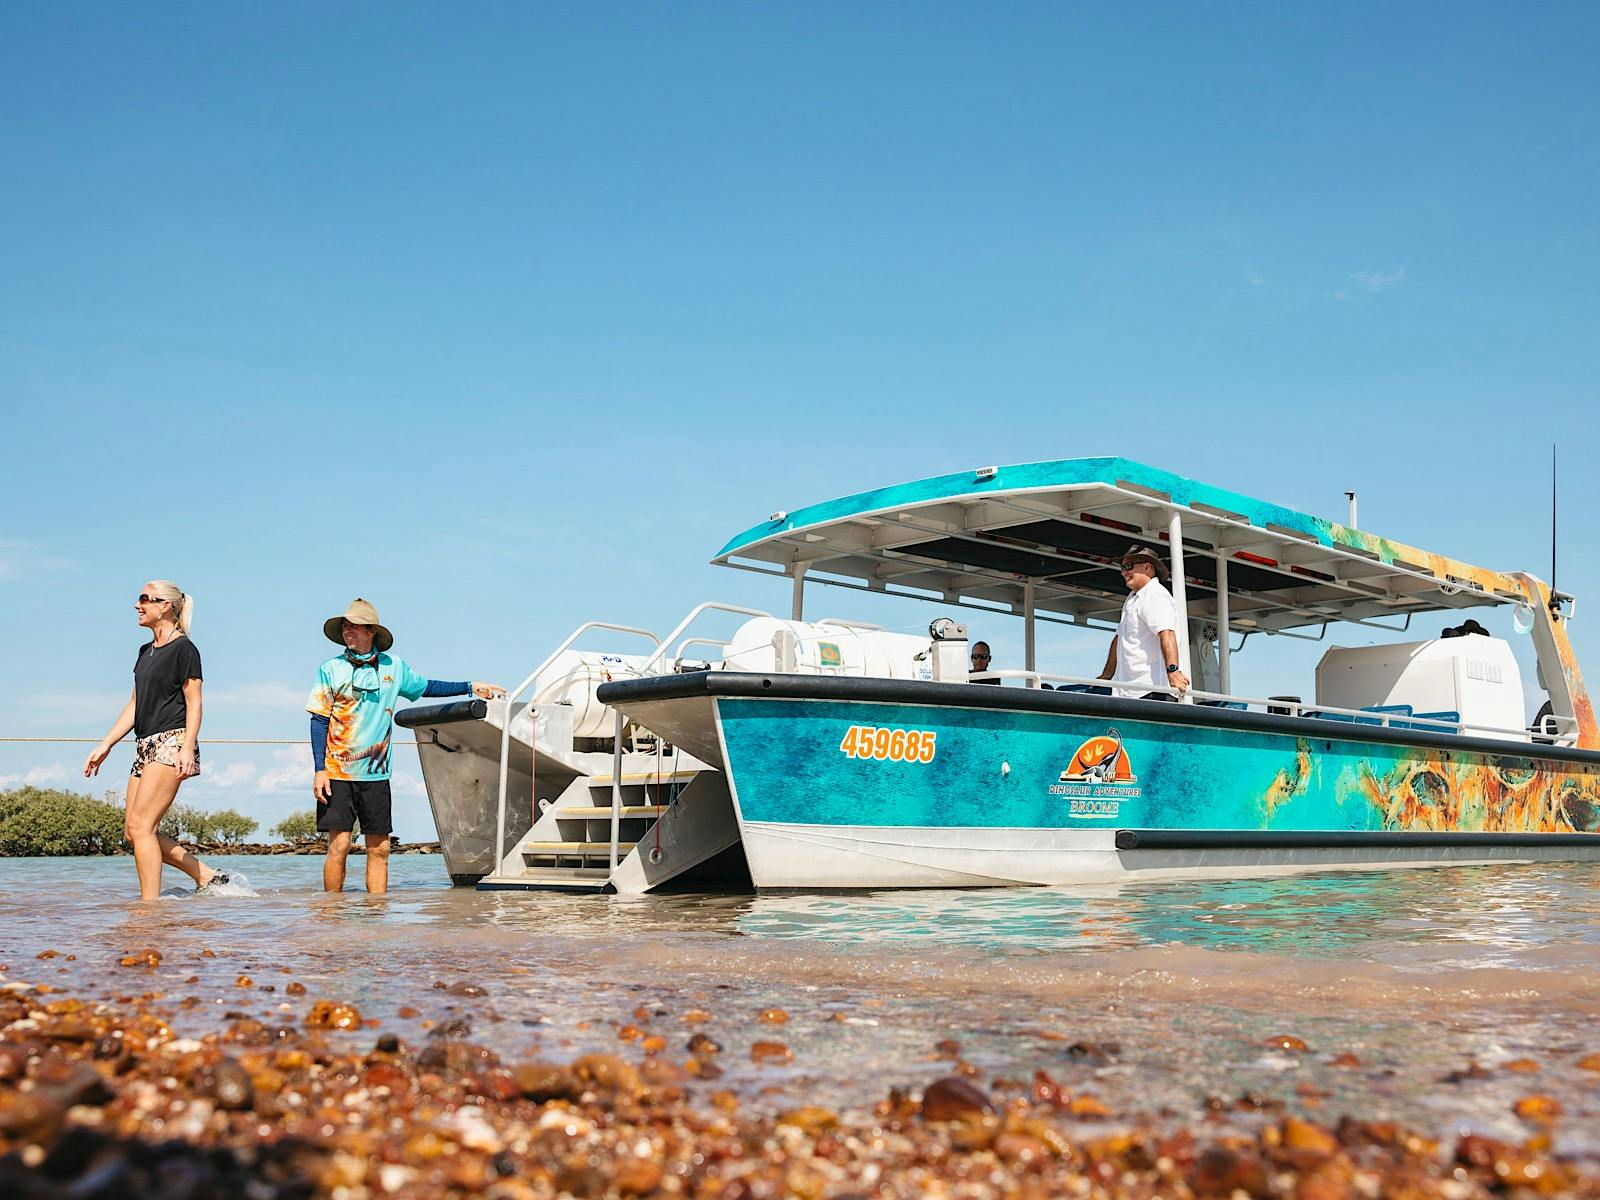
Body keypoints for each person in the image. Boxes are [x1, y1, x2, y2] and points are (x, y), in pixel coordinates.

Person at [307, 599, 505, 894]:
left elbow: (425, 687)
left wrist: (469, 686)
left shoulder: (393, 666)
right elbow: (318, 721)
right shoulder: (329, 669)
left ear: (371, 630)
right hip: (338, 772)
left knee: (380, 848)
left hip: (376, 774)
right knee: (340, 843)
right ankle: (331, 918)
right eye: (345, 626)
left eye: (354, 626)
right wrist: (319, 770)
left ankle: (377, 918)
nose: (348, 631)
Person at [83, 581, 230, 900]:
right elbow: (135, 705)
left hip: (172, 741)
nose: (138, 605)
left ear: (165, 606)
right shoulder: (144, 652)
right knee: (132, 831)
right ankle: (206, 875)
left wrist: (188, 747)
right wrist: (105, 744)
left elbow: (195, 701)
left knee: (142, 827)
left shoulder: (184, 649)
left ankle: (149, 907)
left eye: (144, 599)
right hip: (144, 743)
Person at [1097, 546, 1190, 701]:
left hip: (1153, 690)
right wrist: (1106, 676)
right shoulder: (1133, 598)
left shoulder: (1155, 594)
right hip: (1129, 691)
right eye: (1122, 568)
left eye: (1128, 567)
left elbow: (1166, 633)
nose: (1123, 572)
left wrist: (1173, 672)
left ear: (1147, 567)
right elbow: (1120, 639)